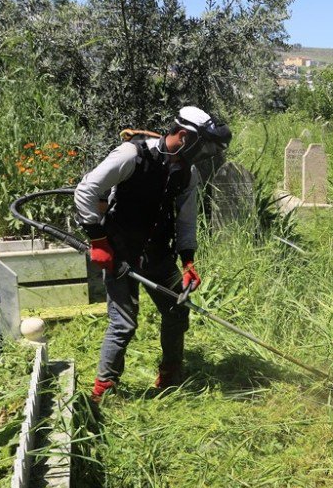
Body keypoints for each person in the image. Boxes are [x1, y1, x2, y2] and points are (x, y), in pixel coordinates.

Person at [74, 106, 231, 403]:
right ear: (184, 136)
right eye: (204, 145)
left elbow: (186, 220)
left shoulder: (187, 172)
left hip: (159, 254)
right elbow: (85, 190)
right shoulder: (131, 156)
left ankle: (170, 374)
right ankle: (103, 391)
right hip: (120, 253)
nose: (205, 153)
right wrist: (98, 241)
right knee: (123, 322)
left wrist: (188, 261)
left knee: (177, 311)